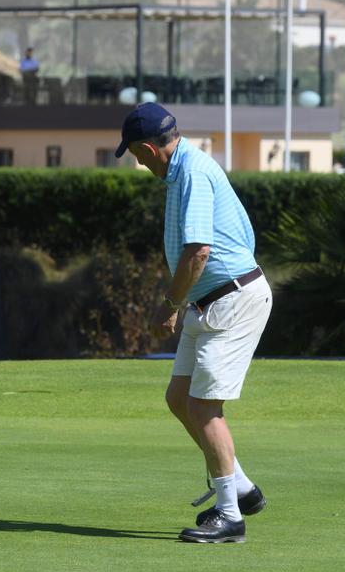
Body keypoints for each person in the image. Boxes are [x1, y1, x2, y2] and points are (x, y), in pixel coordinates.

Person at [115, 102, 272, 543]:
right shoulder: (184, 169)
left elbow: (199, 251)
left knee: (204, 408)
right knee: (180, 397)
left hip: (231, 300)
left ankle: (230, 517)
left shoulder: (192, 173)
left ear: (149, 148)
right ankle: (240, 488)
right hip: (208, 302)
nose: (140, 164)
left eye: (136, 155)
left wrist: (169, 304)